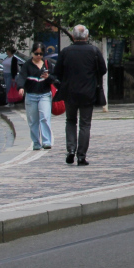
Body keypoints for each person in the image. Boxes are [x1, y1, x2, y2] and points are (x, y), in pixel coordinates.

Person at [51, 25, 107, 166]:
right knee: (85, 124)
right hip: (88, 93)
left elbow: (56, 72)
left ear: (73, 36)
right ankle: (81, 155)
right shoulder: (94, 51)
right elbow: (103, 70)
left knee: (70, 121)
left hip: (70, 92)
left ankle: (70, 149)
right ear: (87, 36)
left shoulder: (66, 52)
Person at [18, 43, 54, 150]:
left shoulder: (47, 64)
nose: (38, 56)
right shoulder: (27, 65)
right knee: (33, 120)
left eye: (41, 54)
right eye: (36, 53)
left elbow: (55, 78)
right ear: (32, 53)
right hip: (31, 95)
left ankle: (47, 141)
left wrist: (48, 77)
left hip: (45, 95)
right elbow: (22, 77)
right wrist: (21, 87)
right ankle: (36, 142)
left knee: (45, 117)